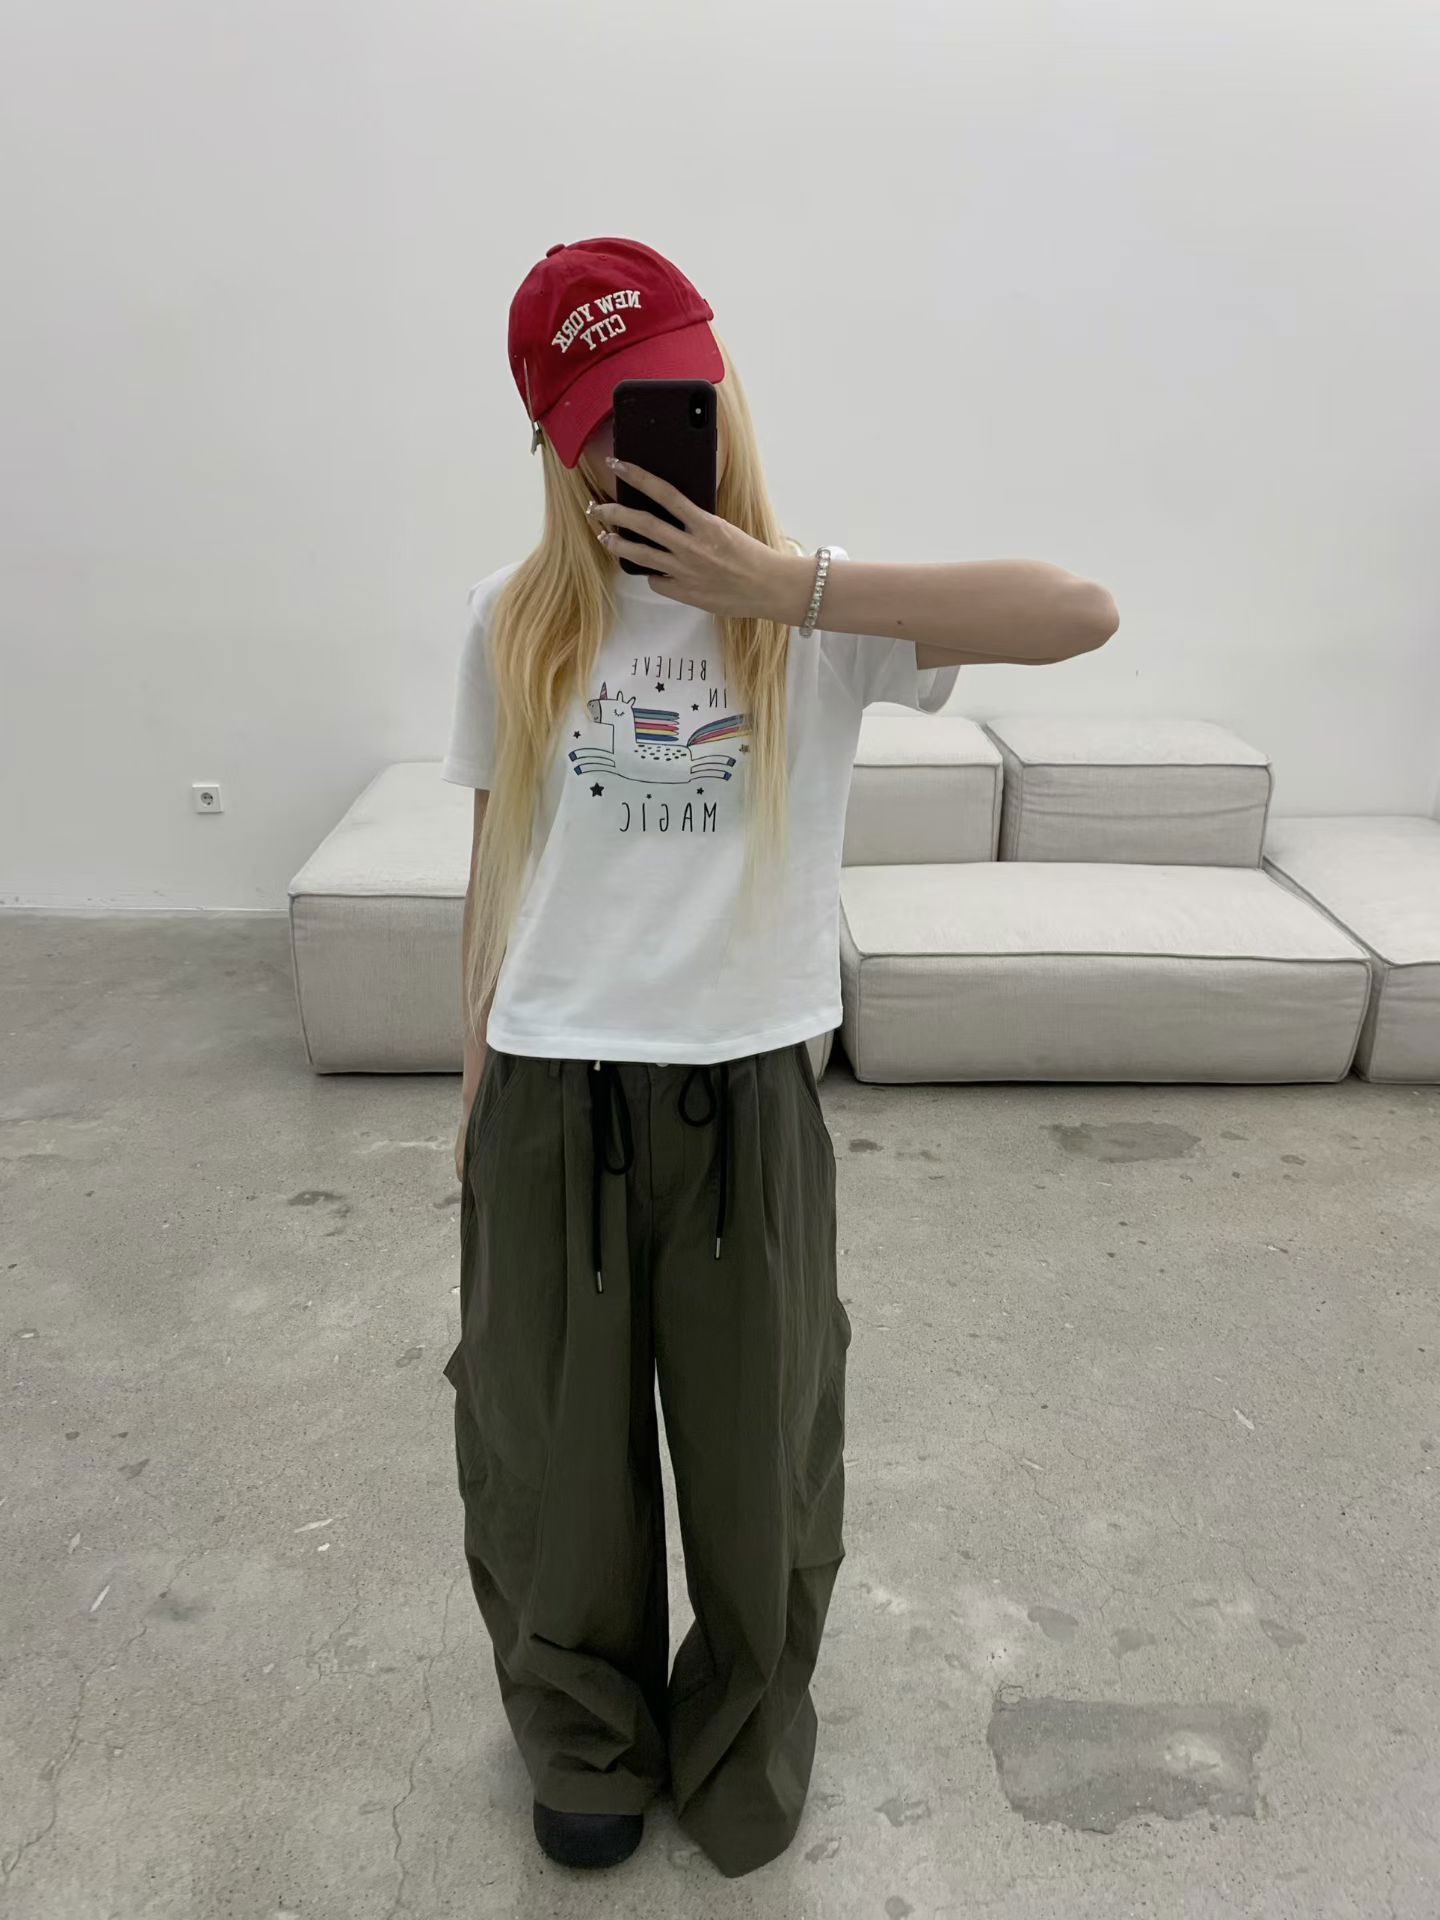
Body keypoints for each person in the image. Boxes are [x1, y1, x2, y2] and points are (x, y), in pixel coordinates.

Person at [439, 234, 1118, 1879]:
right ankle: (584, 1733)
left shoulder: (820, 617)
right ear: (556, 448)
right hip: (549, 1088)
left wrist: (786, 585)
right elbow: (496, 878)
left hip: (742, 1092)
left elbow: (1080, 612)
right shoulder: (514, 622)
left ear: (721, 390)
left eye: (666, 401)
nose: (638, 452)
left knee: (763, 1449)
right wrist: (467, 1115)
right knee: (547, 1453)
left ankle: (744, 1723)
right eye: (602, 425)